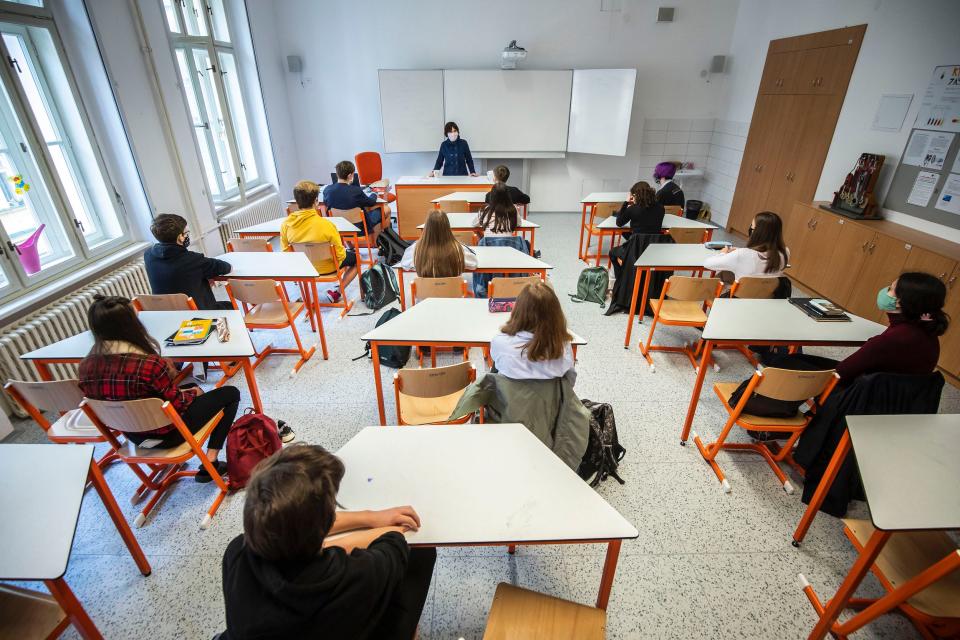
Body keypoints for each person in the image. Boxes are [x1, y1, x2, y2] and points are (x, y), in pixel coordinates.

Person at [221, 444, 435, 640]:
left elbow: (300, 533)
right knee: (421, 553)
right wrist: (389, 528)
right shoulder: (354, 576)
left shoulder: (237, 551)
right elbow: (393, 543)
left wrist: (370, 517)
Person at [78, 295, 239, 482]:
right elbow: (178, 405)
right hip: (169, 434)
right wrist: (193, 394)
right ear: (131, 325)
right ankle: (211, 461)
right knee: (230, 393)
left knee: (191, 387)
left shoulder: (86, 367)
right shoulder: (149, 364)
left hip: (133, 436)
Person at [764, 272, 949, 386]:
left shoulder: (890, 340)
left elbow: (842, 373)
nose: (885, 292)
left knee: (784, 364)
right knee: (797, 360)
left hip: (863, 396)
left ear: (901, 302)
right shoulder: (928, 334)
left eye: (891, 289)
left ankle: (775, 416)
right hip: (891, 398)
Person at [282, 180, 355, 300]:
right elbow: (340, 255)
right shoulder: (327, 225)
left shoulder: (286, 225)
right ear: (316, 201)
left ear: (297, 201)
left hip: (304, 269)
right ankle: (337, 293)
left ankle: (305, 297)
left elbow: (287, 253)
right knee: (356, 259)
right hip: (329, 268)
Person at [490, 281, 576, 382]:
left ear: (518, 310)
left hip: (507, 397)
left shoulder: (500, 342)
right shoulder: (562, 346)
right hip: (551, 398)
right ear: (555, 315)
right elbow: (570, 381)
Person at [144, 213, 232, 310]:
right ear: (180, 237)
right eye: (186, 233)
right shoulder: (193, 260)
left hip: (168, 314)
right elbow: (227, 267)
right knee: (230, 306)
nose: (187, 236)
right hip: (198, 316)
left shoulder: (148, 255)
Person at [703, 211, 789, 281]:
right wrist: (739, 251)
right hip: (767, 298)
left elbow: (707, 264)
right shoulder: (785, 252)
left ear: (757, 232)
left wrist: (723, 253)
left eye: (752, 226)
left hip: (738, 299)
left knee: (722, 274)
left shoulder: (742, 255)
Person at [400, 210, 478, 275]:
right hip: (453, 292)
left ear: (427, 227)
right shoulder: (458, 248)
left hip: (425, 292)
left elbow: (404, 265)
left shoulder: (416, 249)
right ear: (447, 227)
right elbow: (473, 265)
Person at [323, 160, 383, 244]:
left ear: (337, 174)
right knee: (382, 211)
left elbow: (327, 204)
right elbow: (371, 203)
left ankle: (350, 247)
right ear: (350, 175)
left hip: (338, 227)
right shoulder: (356, 190)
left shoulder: (327, 190)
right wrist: (374, 194)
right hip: (358, 229)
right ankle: (375, 244)